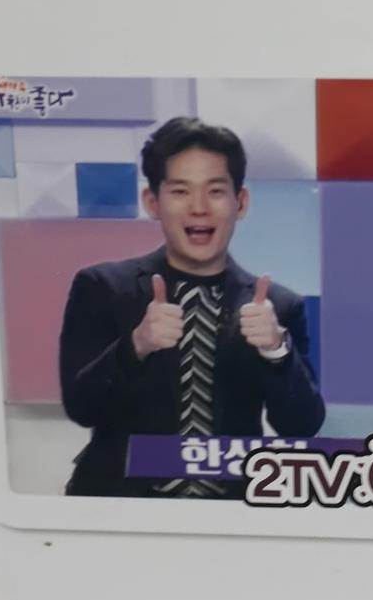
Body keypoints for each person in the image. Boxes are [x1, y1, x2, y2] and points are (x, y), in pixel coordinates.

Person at [60, 116, 325, 497]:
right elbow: (80, 408)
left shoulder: (279, 307)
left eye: (215, 191)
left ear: (241, 202)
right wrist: (135, 346)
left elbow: (303, 426)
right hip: (118, 508)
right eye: (181, 191)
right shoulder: (102, 287)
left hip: (232, 514)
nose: (199, 208)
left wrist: (276, 351)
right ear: (152, 202)